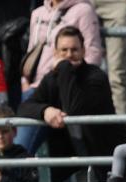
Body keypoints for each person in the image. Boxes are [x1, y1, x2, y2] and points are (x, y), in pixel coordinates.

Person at [17, 27, 126, 182]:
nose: (69, 55)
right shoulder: (51, 79)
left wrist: (64, 67)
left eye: (74, 50)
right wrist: (45, 110)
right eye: (64, 50)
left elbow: (74, 109)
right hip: (73, 167)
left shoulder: (96, 76)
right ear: (55, 53)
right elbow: (25, 107)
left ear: (84, 51)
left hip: (113, 167)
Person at [15, 0, 103, 155]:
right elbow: (31, 51)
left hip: (67, 90)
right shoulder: (37, 13)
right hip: (36, 90)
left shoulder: (83, 10)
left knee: (23, 149)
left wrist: (73, 82)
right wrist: (25, 81)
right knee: (19, 149)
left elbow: (92, 53)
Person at [90, 0, 126, 117]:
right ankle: (75, 131)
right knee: (70, 64)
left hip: (119, 4)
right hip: (79, 2)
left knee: (120, 74)